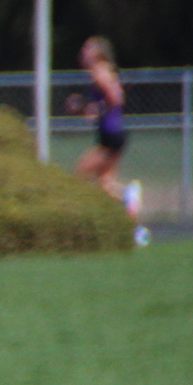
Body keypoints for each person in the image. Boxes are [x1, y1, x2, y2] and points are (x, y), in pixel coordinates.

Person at [68, 36, 144, 242]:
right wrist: (86, 107)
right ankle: (136, 230)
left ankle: (84, 222)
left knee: (79, 174)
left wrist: (96, 108)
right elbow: (104, 102)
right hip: (114, 133)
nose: (83, 53)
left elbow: (116, 98)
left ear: (98, 53)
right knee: (105, 184)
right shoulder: (104, 70)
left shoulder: (99, 71)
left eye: (87, 49)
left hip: (110, 134)